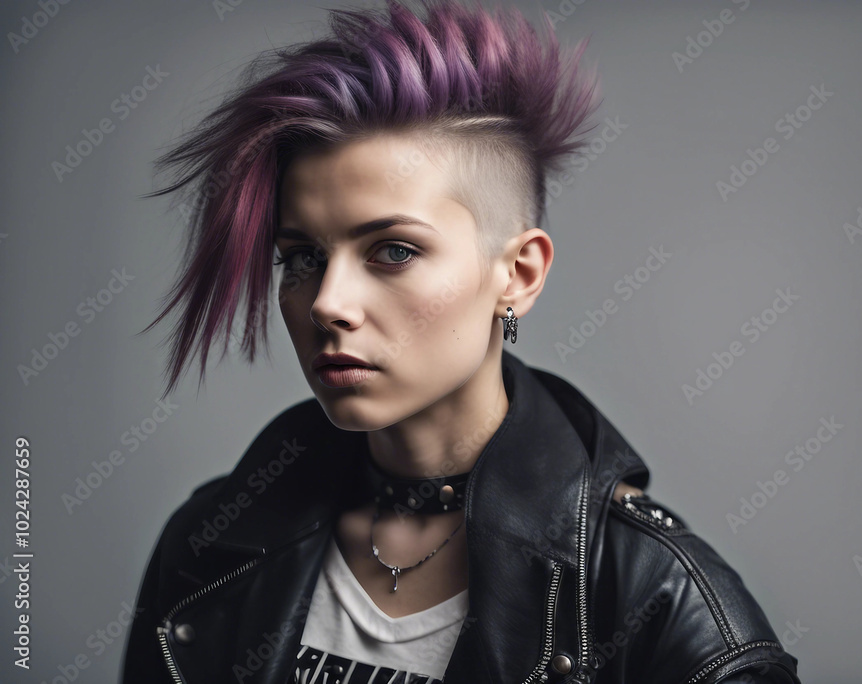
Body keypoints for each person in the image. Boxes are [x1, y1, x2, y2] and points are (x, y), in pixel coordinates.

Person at [120, 1, 802, 682]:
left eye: (391, 251)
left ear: (518, 274)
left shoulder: (665, 603)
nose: (328, 302)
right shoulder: (213, 546)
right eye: (300, 258)